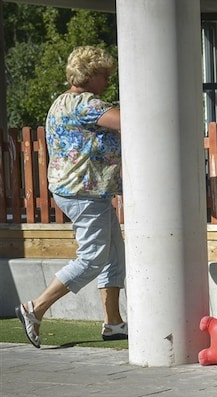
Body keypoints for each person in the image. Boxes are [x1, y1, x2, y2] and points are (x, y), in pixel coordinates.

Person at [15, 46, 125, 347]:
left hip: (78, 190)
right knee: (92, 259)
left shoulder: (61, 101)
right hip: (84, 192)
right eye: (103, 75)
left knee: (114, 255)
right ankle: (35, 308)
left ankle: (113, 322)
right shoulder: (85, 104)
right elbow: (130, 122)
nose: (107, 81)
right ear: (89, 76)